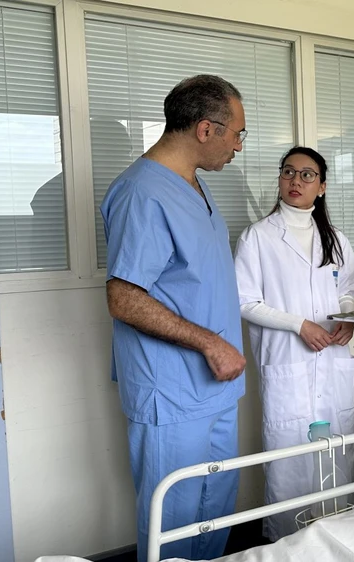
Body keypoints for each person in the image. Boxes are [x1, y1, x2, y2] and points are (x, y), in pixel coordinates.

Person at [100, 74, 249, 562]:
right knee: (175, 518)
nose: (239, 147)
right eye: (237, 134)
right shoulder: (142, 193)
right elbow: (124, 297)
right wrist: (209, 343)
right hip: (173, 389)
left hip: (216, 383)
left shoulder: (195, 185)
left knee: (216, 508)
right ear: (206, 129)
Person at [233, 146, 354, 541]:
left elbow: (348, 289)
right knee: (289, 461)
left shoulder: (335, 238)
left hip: (332, 361)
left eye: (307, 175)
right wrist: (298, 325)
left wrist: (347, 317)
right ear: (279, 179)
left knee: (337, 453)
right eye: (288, 172)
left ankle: (341, 538)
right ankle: (286, 544)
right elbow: (244, 301)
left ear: (322, 186)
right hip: (287, 362)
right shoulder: (257, 237)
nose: (296, 181)